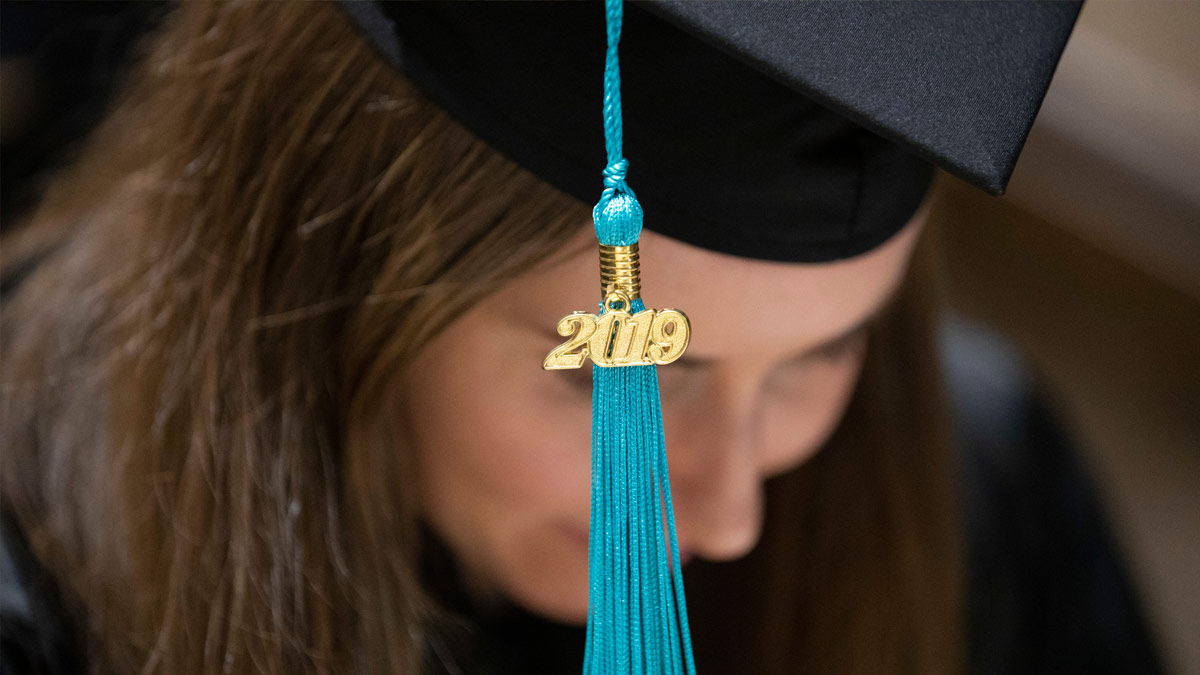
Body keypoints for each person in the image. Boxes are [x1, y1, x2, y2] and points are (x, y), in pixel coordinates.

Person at [0, 2, 1161, 674]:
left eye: (822, 355)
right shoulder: (37, 607)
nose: (729, 514)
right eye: (632, 368)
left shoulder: (980, 485)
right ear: (337, 250)